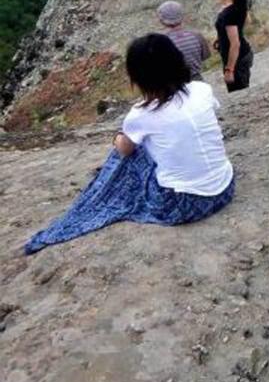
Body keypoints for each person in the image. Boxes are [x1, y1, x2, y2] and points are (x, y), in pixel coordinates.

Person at [24, 34, 235, 253]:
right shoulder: (201, 90)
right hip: (225, 188)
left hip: (184, 205)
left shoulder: (141, 114)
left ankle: (100, 196)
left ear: (138, 77)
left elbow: (125, 150)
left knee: (127, 149)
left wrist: (116, 138)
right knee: (155, 141)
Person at [208, 0, 253, 92]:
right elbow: (247, 21)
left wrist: (229, 70)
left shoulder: (229, 12)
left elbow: (235, 44)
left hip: (237, 59)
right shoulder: (235, 4)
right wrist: (220, 37)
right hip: (242, 54)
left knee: (239, 92)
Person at [157, 0, 211, 80]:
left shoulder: (160, 42)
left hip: (174, 84)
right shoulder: (196, 35)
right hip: (197, 80)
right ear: (182, 17)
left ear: (162, 20)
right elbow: (206, 56)